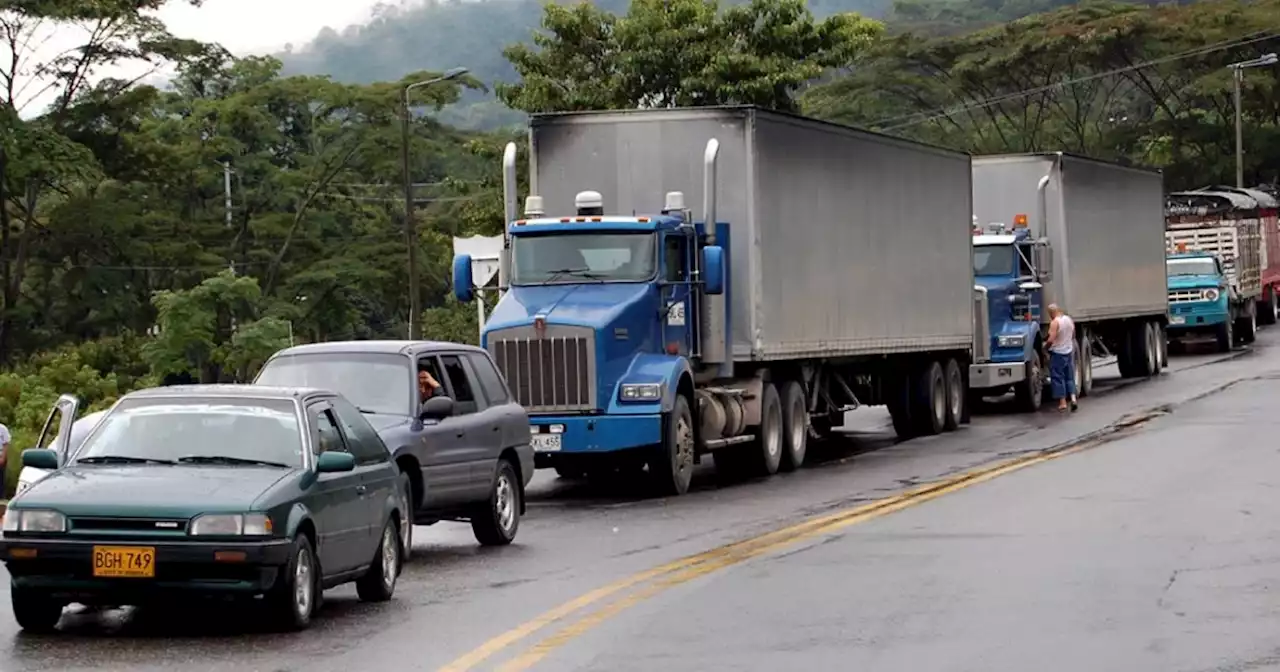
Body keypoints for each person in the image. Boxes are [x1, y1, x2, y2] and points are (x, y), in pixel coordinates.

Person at [1046, 303, 1078, 412]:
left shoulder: (1055, 323)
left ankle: (1063, 402)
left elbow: (1051, 339)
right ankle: (1073, 399)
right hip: (1069, 351)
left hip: (1058, 353)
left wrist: (1045, 348)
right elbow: (1073, 334)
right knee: (1069, 377)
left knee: (1058, 377)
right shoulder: (1069, 320)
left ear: (1051, 312)